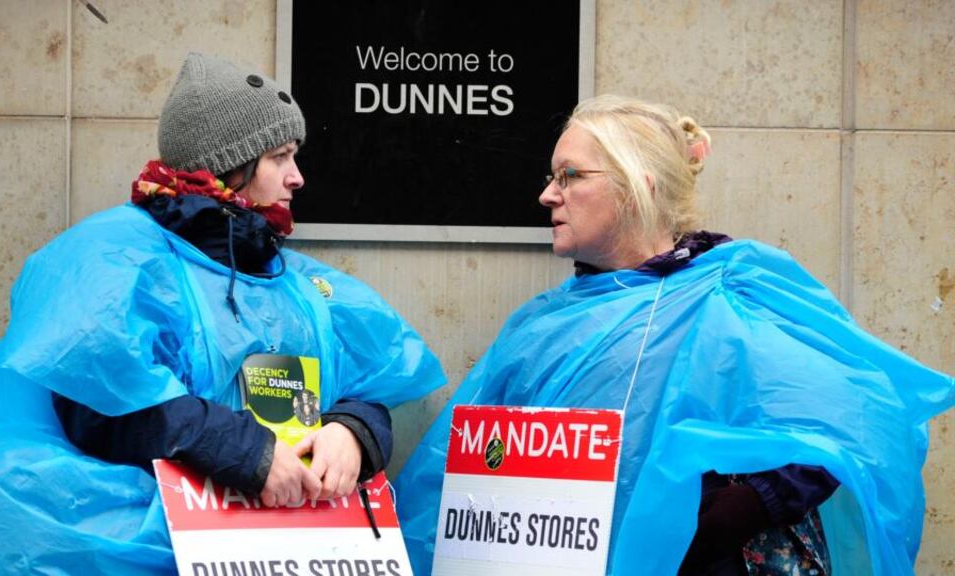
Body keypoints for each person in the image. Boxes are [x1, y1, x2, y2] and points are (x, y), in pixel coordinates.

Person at [395, 95, 954, 575]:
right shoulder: (543, 323)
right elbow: (465, 466)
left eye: (570, 175)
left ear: (640, 183)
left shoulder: (735, 291)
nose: (548, 194)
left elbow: (856, 416)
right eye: (551, 176)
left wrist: (752, 501)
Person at [0, 53, 445, 574]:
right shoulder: (115, 256)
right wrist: (244, 452)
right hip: (150, 545)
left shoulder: (294, 281)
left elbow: (363, 382)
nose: (297, 178)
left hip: (278, 547)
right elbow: (100, 404)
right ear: (229, 165)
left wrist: (353, 431)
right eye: (281, 157)